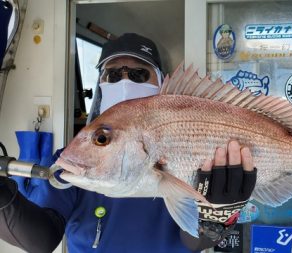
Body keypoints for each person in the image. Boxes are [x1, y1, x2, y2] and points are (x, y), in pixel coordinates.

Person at [0, 33, 257, 253]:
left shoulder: (186, 144)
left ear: (160, 81)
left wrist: (217, 220)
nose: (124, 82)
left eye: (138, 73)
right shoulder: (72, 159)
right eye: (112, 75)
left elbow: (193, 241)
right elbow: (41, 239)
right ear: (101, 85)